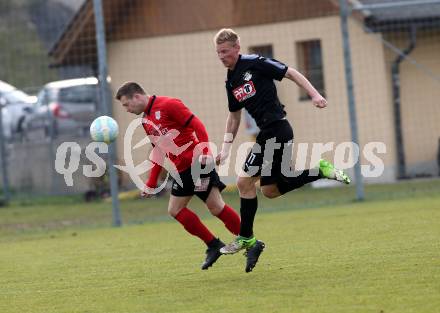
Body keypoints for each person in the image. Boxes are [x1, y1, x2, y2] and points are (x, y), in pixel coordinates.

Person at [214, 28, 350, 272]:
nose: (221, 56)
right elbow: (233, 117)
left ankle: (246, 237)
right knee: (270, 190)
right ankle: (319, 170)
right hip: (273, 132)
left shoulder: (255, 63)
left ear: (237, 48)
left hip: (276, 129)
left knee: (244, 183)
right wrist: (225, 148)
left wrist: (315, 94)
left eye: (225, 51)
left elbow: (291, 73)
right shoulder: (230, 80)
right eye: (218, 53)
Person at [116, 82, 241, 270]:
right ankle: (220, 244)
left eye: (126, 104)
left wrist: (205, 151)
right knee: (204, 207)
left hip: (197, 164)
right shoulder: (145, 121)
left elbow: (197, 125)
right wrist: (151, 183)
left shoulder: (168, 104)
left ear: (136, 96)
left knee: (201, 208)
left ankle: (237, 241)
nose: (126, 109)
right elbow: (158, 151)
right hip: (183, 171)